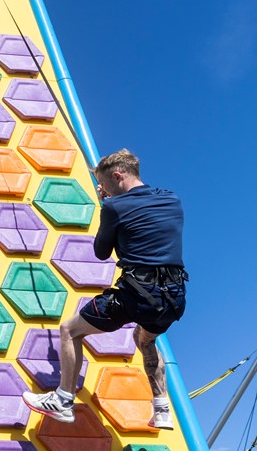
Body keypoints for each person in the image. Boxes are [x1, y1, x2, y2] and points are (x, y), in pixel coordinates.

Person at [23, 149, 188, 427]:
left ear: (117, 175)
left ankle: (63, 400)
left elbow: (101, 251)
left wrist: (107, 205)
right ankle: (162, 409)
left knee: (69, 330)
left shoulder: (114, 207)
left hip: (135, 296)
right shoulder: (172, 199)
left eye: (105, 184)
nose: (105, 190)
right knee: (145, 339)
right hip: (173, 298)